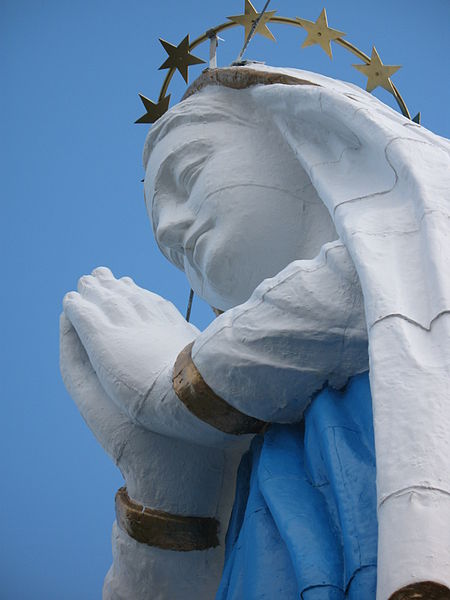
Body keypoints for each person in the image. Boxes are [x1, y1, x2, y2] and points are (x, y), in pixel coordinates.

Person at [60, 64, 450, 599]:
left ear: (305, 138)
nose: (172, 229)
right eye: (161, 240)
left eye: (189, 173)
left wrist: (177, 391)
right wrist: (171, 480)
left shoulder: (428, 226)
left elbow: (383, 267)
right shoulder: (264, 435)